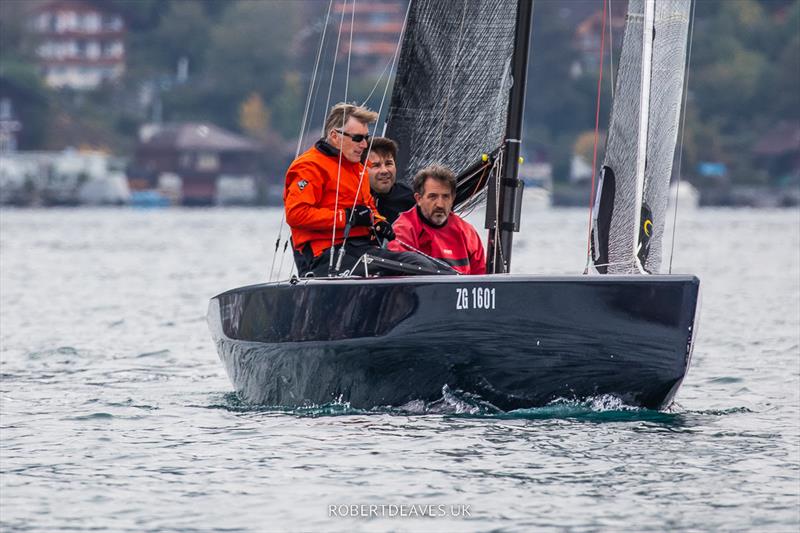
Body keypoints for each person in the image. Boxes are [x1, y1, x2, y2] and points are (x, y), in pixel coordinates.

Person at [284, 103, 447, 277]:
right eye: (358, 138)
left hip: (361, 249)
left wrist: (378, 222)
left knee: (426, 265)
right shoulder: (308, 167)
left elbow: (368, 205)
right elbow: (296, 214)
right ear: (334, 136)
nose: (364, 145)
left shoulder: (358, 168)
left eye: (366, 138)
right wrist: (347, 217)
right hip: (326, 255)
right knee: (417, 266)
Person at [389, 164, 487, 275]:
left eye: (445, 197)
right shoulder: (403, 230)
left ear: (453, 198)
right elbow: (398, 280)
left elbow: (481, 282)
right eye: (433, 197)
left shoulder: (468, 233)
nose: (440, 204)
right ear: (418, 199)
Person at [367, 137, 415, 224]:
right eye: (376, 165)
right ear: (362, 168)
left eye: (388, 164)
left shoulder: (410, 197)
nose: (384, 171)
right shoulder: (354, 197)